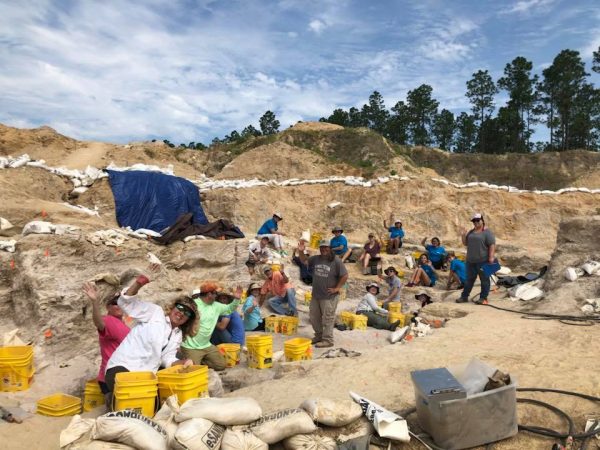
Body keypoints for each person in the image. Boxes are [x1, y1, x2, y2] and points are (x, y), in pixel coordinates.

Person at [104, 270, 198, 403]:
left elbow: (167, 359)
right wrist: (140, 282)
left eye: (188, 313)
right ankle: (112, 398)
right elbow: (125, 303)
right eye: (180, 308)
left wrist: (182, 363)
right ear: (173, 307)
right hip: (122, 367)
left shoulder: (177, 335)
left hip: (145, 376)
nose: (182, 313)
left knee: (154, 405)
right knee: (136, 401)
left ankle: (115, 398)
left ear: (189, 320)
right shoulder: (155, 313)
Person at [82, 280, 130, 396]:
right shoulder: (108, 321)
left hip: (122, 375)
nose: (118, 305)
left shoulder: (124, 324)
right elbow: (99, 323)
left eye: (121, 302)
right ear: (108, 307)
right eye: (115, 303)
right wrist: (94, 302)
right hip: (110, 378)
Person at [181, 282, 242, 371]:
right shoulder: (194, 304)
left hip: (206, 345)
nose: (217, 296)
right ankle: (193, 359)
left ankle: (201, 360)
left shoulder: (216, 305)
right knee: (192, 370)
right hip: (191, 346)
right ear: (209, 294)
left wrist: (236, 299)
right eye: (216, 294)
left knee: (221, 365)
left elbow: (229, 309)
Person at [308, 239, 348, 348]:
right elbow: (304, 261)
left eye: (326, 247)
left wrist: (337, 288)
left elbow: (344, 275)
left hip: (329, 296)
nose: (324, 249)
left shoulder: (336, 261)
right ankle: (319, 336)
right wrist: (301, 251)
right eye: (321, 247)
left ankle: (328, 340)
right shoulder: (316, 259)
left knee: (328, 318)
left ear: (330, 248)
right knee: (314, 317)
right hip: (316, 295)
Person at [456, 213, 496, 305]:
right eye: (474, 221)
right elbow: (465, 243)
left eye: (477, 220)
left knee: (484, 280)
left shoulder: (487, 232)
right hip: (470, 261)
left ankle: (483, 298)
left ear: (482, 220)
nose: (476, 222)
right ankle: (464, 296)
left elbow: (491, 245)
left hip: (483, 261)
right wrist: (463, 235)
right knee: (469, 279)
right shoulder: (471, 232)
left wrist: (491, 258)